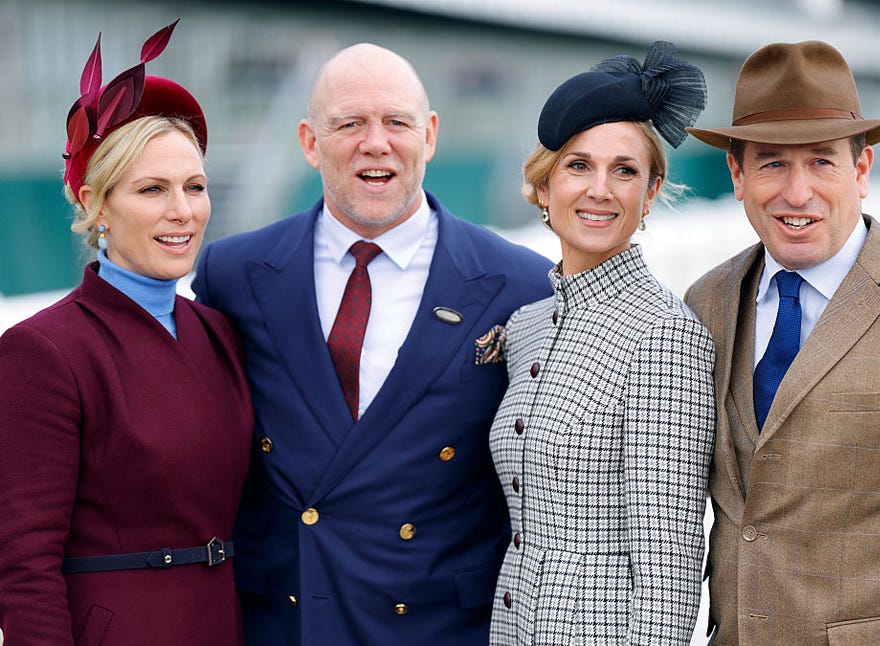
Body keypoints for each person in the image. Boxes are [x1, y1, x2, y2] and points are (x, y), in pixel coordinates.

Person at [191, 43, 553, 645]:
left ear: (429, 135)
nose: (376, 143)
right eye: (349, 124)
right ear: (310, 142)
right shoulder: (233, 273)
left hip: (441, 626)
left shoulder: (521, 283)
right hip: (286, 622)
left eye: (396, 123)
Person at [684, 40, 880, 645]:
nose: (797, 194)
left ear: (862, 170)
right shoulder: (706, 303)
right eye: (771, 164)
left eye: (821, 161)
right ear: (737, 175)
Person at [0, 21, 252, 646]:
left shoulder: (217, 331)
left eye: (195, 187)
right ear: (97, 205)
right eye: (152, 190)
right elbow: (24, 565)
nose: (182, 211)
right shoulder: (44, 351)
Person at [488, 41, 716, 644]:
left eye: (625, 170)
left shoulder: (663, 336)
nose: (600, 189)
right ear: (544, 186)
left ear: (650, 193)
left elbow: (668, 571)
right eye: (578, 166)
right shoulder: (527, 326)